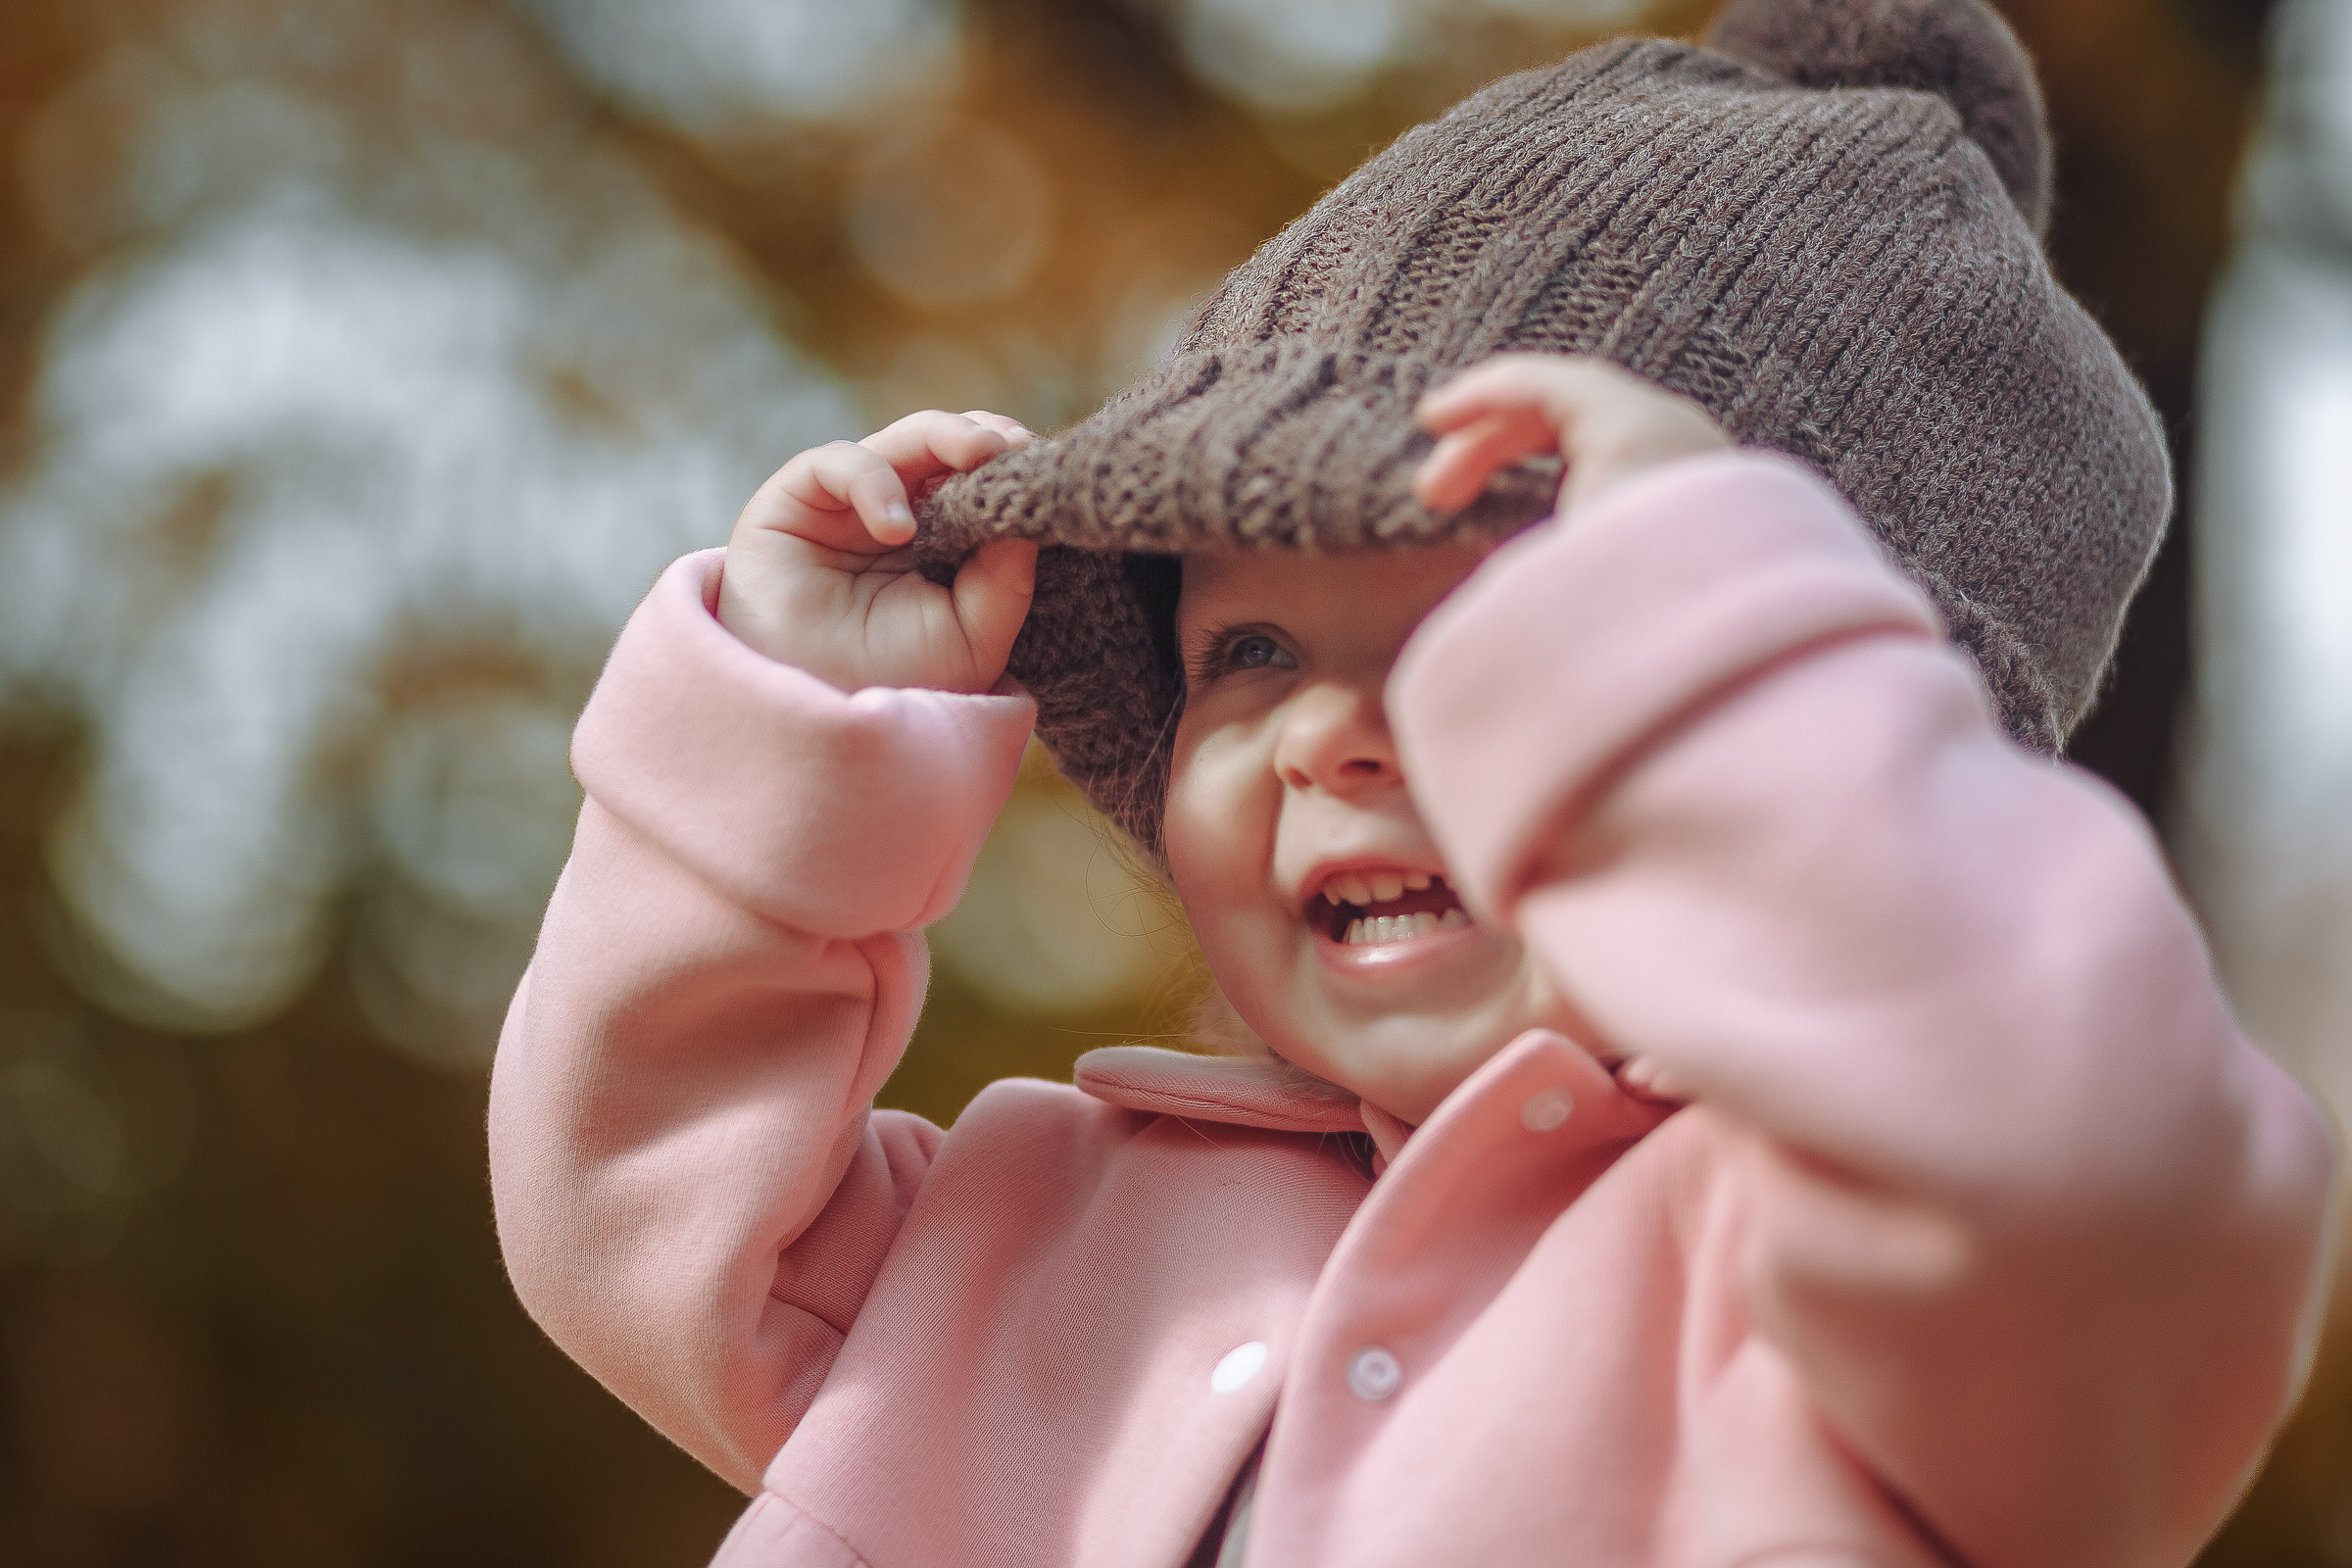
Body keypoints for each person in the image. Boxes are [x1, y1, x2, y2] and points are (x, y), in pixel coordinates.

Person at [488, 2, 2338, 1564]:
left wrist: (1717, 612)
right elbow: (638, 1208)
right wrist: (795, 758)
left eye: (1494, 633)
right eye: (1250, 652)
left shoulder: (1879, 1292)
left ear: (1785, 721)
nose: (1331, 733)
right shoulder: (1048, 1237)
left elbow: (2101, 1186)